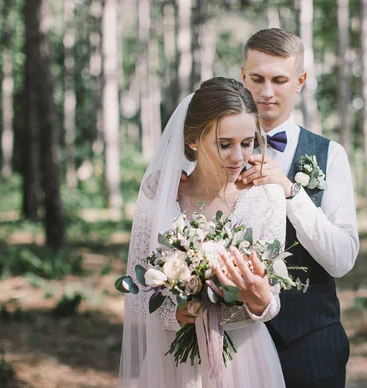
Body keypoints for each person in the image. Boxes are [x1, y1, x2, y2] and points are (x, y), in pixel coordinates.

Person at [119, 77, 287, 388]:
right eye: (224, 144)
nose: (238, 157)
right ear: (194, 140)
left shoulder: (267, 198)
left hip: (245, 362)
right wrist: (177, 314)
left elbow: (272, 301)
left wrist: (261, 300)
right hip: (173, 365)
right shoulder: (159, 197)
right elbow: (136, 302)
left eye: (247, 142)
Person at [238, 28, 360, 387]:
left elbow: (342, 260)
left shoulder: (330, 156)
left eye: (279, 80)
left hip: (312, 343)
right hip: (236, 345)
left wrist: (292, 194)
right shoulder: (216, 153)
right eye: (257, 79)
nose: (266, 92)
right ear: (242, 78)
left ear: (300, 81)